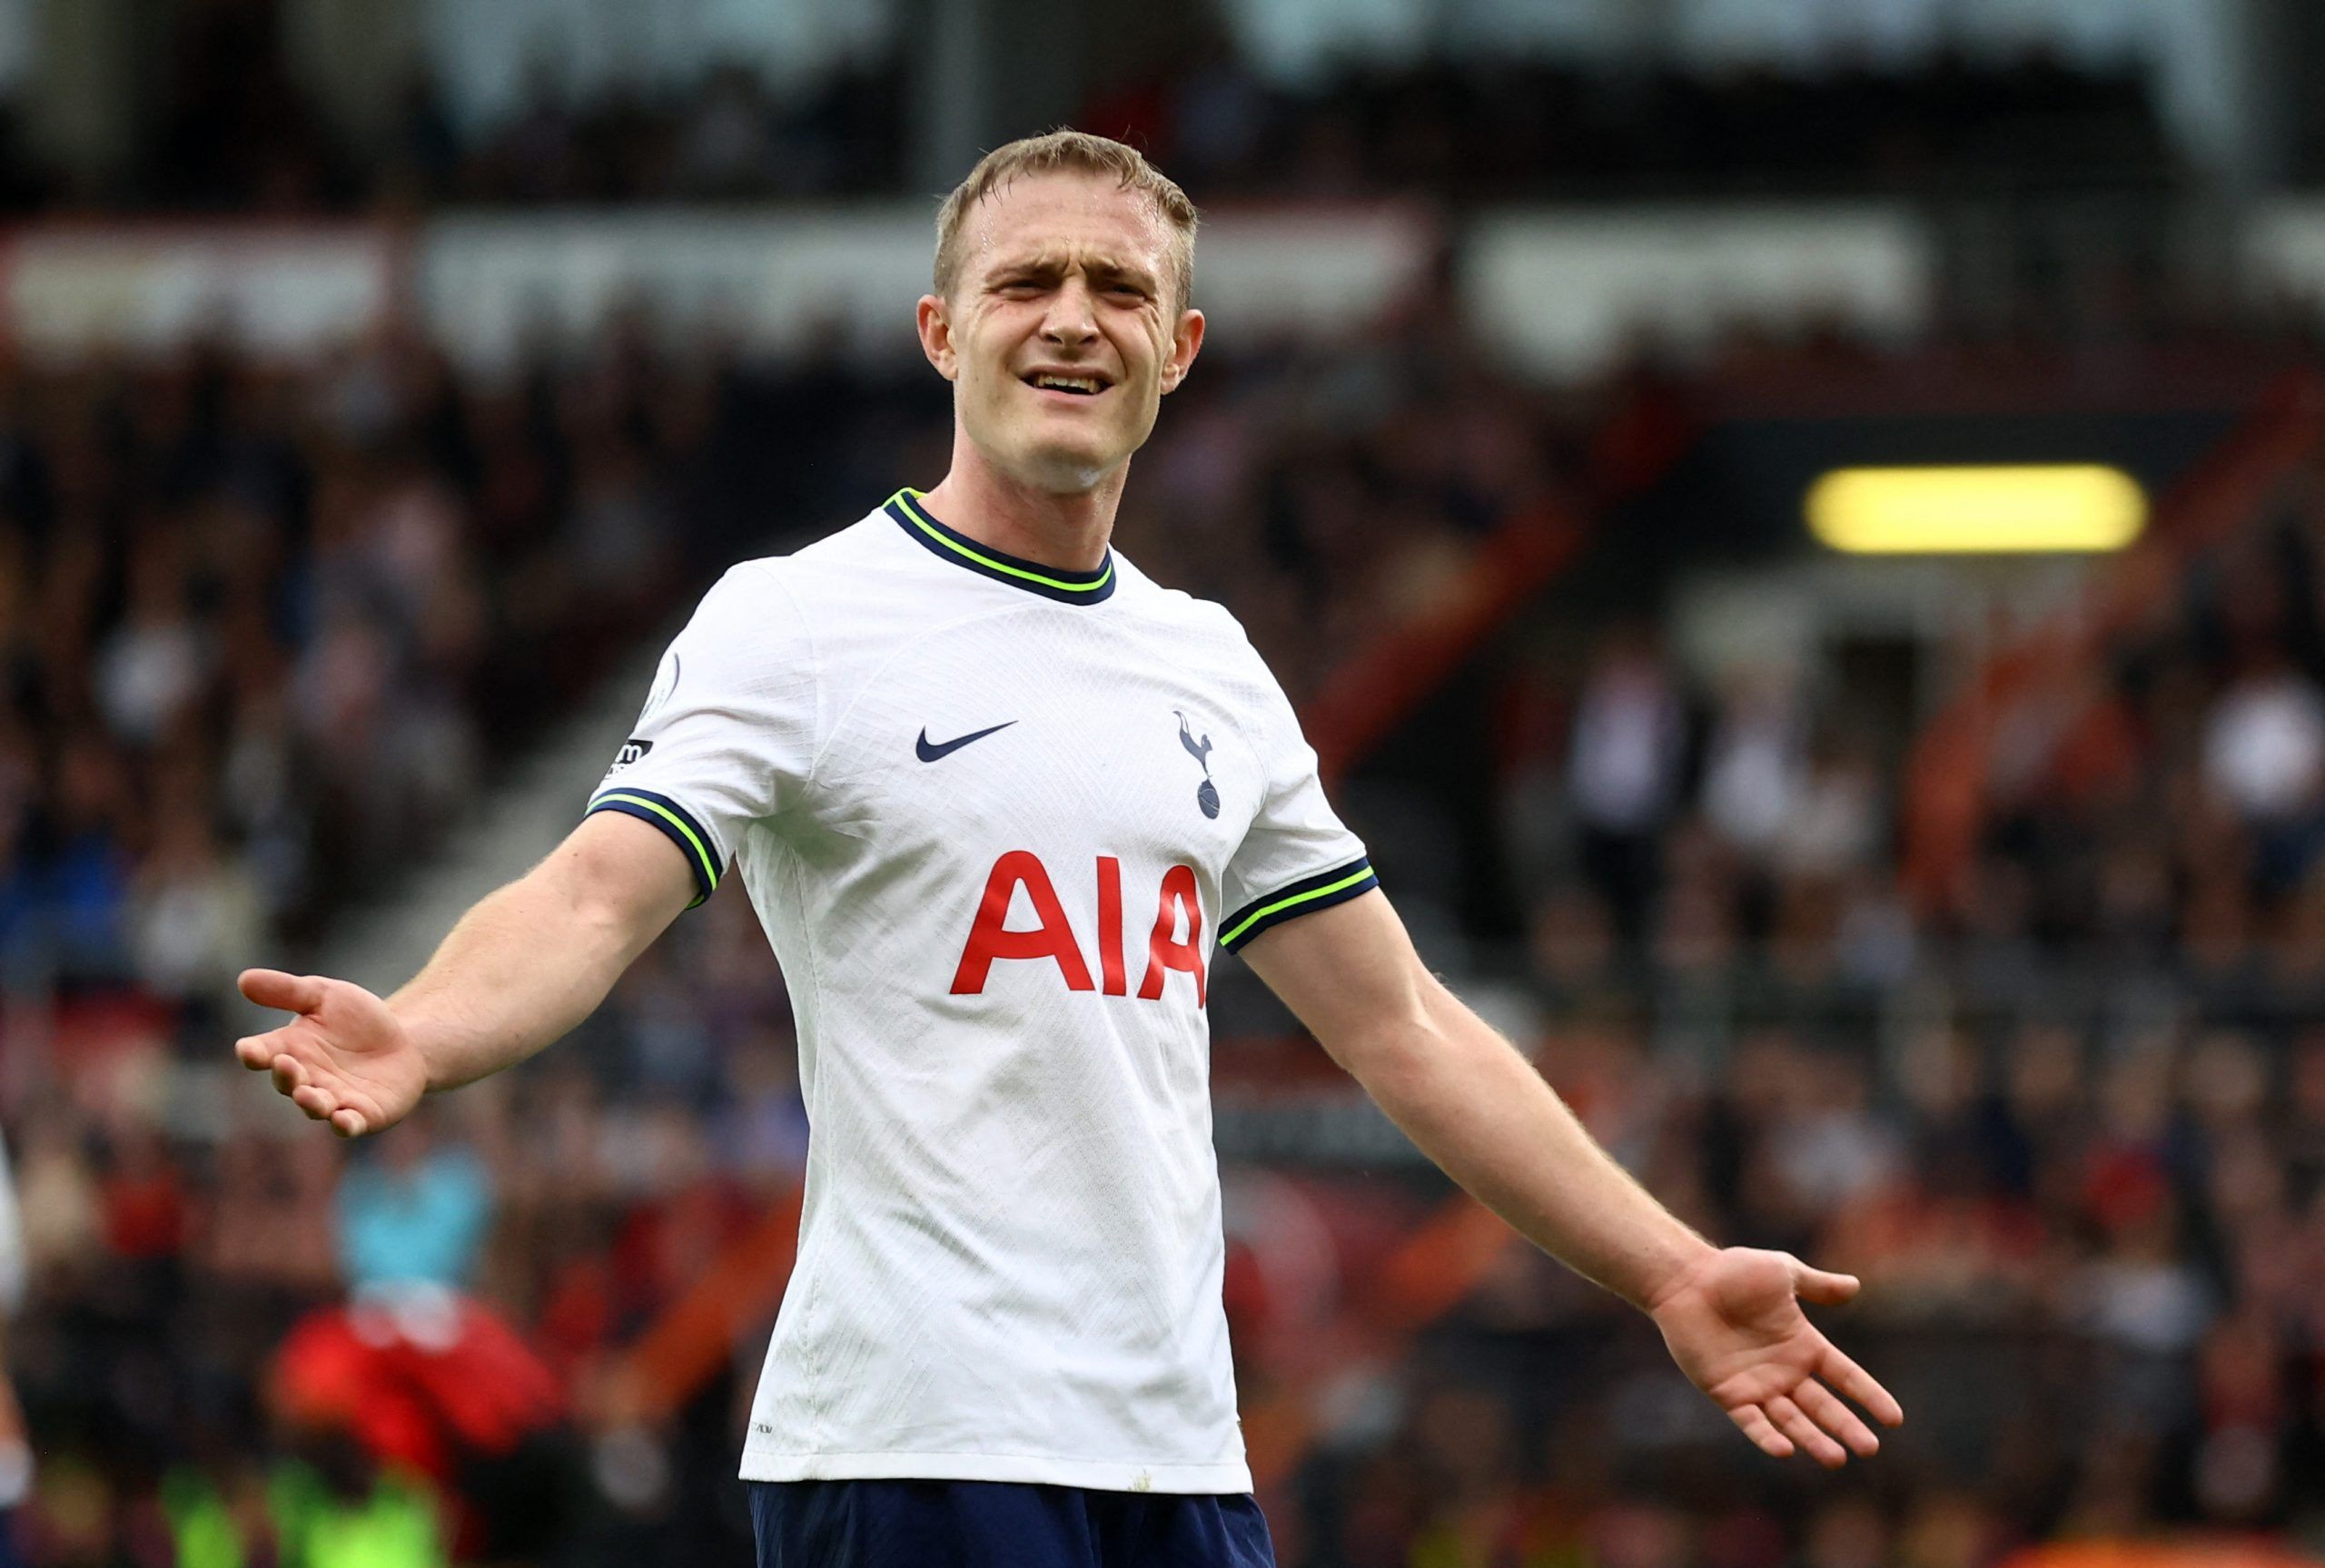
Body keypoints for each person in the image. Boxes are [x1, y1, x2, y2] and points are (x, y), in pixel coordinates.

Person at [233, 131, 1903, 1568]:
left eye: (1116, 289)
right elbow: (600, 886)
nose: (1071, 319)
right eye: (1028, 281)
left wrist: (1671, 1268)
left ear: (1177, 349)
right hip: (912, 1443)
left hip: (1176, 1454)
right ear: (940, 327)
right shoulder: (798, 622)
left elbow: (1403, 1028)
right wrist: (428, 1031)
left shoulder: (1212, 668)